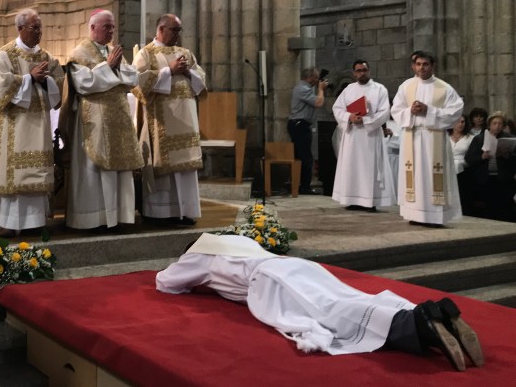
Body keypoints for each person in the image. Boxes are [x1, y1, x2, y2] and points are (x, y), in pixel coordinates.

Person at [156, 233, 483, 371]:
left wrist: (196, 274)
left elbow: (166, 282)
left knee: (333, 314)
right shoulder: (234, 239)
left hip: (272, 282)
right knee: (352, 296)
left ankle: (420, 327)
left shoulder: (198, 253)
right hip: (295, 267)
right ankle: (432, 312)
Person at [0, 9, 65, 236]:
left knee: (38, 171)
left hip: (39, 125)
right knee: (15, 174)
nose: (39, 33)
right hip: (13, 125)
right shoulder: (4, 55)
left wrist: (47, 82)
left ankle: (35, 221)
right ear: (20, 28)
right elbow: (0, 89)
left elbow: (60, 83)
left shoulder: (47, 57)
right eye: (34, 28)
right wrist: (29, 78)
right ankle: (10, 222)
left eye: (40, 28)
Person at [63, 10, 144, 232]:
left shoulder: (112, 51)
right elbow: (84, 83)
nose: (111, 31)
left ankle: (119, 217)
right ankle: (93, 219)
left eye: (113, 27)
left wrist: (112, 70)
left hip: (117, 117)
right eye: (106, 26)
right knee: (94, 168)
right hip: (95, 119)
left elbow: (131, 77)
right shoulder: (80, 53)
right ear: (92, 28)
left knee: (119, 168)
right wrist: (108, 68)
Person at [133, 14, 206, 225]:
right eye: (174, 30)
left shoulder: (185, 53)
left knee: (185, 167)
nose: (177, 34)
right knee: (166, 169)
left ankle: (186, 211)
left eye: (179, 30)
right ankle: (161, 213)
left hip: (186, 118)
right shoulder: (146, 54)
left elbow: (201, 80)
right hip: (161, 122)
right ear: (161, 29)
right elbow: (138, 83)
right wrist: (169, 71)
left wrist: (189, 74)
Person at [391, 51, 464, 226]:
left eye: (425, 64)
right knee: (415, 176)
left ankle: (435, 217)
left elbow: (455, 112)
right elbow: (395, 110)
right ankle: (415, 214)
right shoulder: (406, 86)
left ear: (433, 66)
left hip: (434, 138)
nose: (421, 68)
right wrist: (410, 111)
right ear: (413, 66)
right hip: (413, 136)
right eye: (418, 64)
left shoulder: (444, 88)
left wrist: (429, 111)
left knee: (432, 177)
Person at [331, 60, 395, 211]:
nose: (362, 73)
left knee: (369, 168)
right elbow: (337, 108)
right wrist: (349, 117)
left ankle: (370, 201)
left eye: (364, 70)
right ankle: (352, 199)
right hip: (352, 135)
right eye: (359, 70)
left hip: (370, 135)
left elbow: (385, 112)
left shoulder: (379, 89)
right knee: (352, 166)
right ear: (354, 73)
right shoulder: (348, 89)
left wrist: (366, 121)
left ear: (369, 71)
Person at [464, 111, 516, 222]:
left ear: (503, 126)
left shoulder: (509, 138)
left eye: (500, 124)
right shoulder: (479, 139)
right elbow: (469, 159)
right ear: (489, 125)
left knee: (504, 208)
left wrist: (506, 155)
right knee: (487, 209)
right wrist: (482, 156)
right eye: (494, 123)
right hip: (484, 178)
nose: (497, 126)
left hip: (503, 178)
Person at [288, 67, 328, 194]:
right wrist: (321, 89)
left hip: (299, 125)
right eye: (316, 77)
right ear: (310, 77)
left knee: (301, 156)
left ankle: (299, 184)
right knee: (306, 157)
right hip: (300, 125)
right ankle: (304, 186)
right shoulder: (303, 89)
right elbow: (318, 102)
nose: (317, 80)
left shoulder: (304, 88)